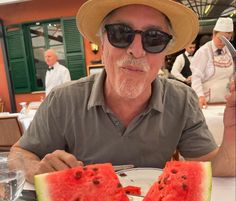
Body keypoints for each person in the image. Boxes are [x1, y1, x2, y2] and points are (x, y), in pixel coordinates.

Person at [10, 0, 235, 183]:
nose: (136, 51)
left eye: (154, 38)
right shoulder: (63, 100)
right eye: (120, 33)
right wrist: (36, 168)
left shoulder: (182, 100)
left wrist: (232, 133)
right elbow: (18, 154)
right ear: (103, 42)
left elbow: (214, 165)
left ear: (165, 52)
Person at [191, 17, 234, 108]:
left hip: (227, 102)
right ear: (214, 34)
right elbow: (196, 77)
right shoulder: (204, 52)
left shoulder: (230, 52)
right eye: (221, 39)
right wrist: (199, 96)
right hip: (207, 103)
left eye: (227, 39)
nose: (223, 42)